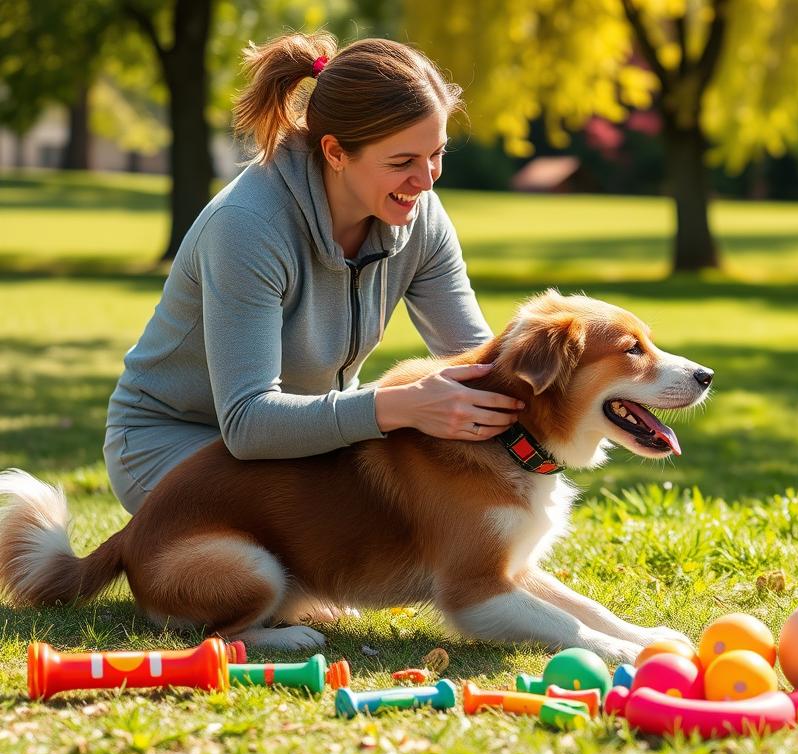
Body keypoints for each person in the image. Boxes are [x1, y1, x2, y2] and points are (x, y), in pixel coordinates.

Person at [103, 32, 523, 515]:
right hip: (172, 444)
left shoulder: (420, 215)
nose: (427, 180)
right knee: (337, 534)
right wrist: (398, 406)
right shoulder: (248, 225)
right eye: (402, 161)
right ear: (336, 152)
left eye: (437, 154)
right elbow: (247, 424)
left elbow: (477, 364)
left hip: (308, 447)